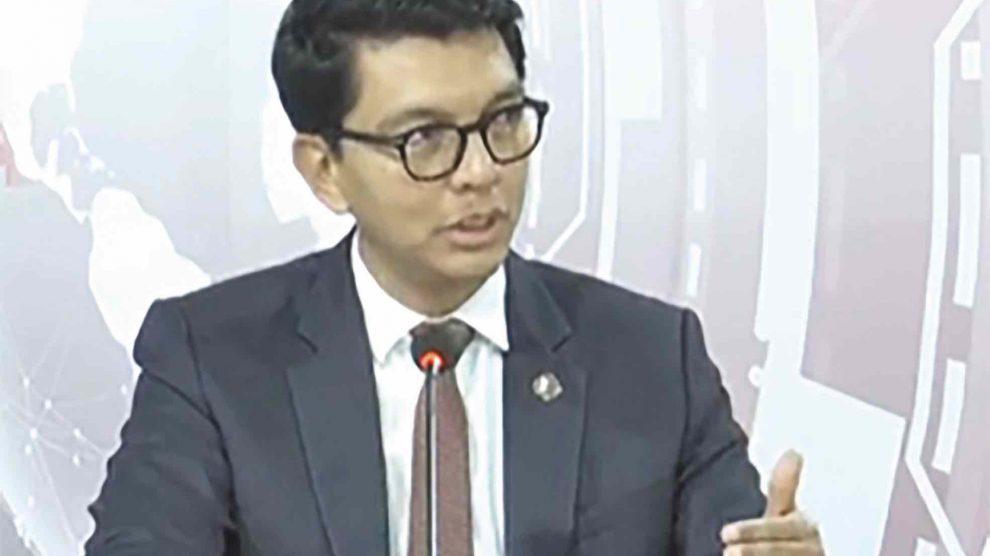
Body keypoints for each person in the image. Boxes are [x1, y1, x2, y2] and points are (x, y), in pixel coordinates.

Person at [85, 0, 825, 554]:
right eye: (426, 139)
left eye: (503, 122)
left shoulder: (654, 358)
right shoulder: (211, 361)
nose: (480, 172)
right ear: (324, 170)